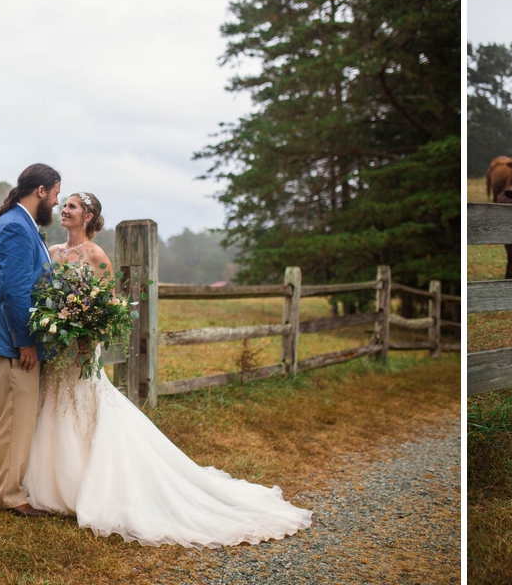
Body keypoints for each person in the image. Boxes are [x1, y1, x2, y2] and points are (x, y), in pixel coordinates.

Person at [21, 191, 313, 546]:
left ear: (88, 217)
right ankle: (53, 484)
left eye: (72, 207)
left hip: (82, 351)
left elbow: (106, 307)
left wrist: (87, 334)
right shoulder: (51, 253)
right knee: (54, 407)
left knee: (83, 408)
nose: (64, 210)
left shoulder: (97, 256)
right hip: (57, 349)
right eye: (64, 205)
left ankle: (88, 485)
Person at [0, 163, 61, 517]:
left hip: (12, 340)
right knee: (11, 420)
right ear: (40, 191)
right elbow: (14, 291)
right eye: (54, 194)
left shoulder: (23, 224)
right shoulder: (16, 227)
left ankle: (11, 489)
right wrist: (25, 341)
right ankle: (6, 495)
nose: (55, 201)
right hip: (9, 343)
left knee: (18, 419)